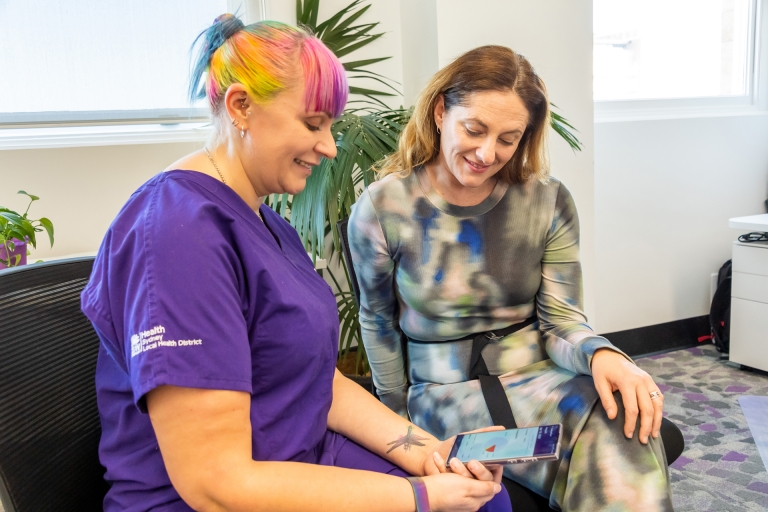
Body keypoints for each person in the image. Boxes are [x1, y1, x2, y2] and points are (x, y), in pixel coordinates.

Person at [80, 16, 513, 512]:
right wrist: (417, 497)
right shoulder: (177, 236)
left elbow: (314, 380)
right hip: (216, 500)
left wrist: (427, 453)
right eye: (313, 124)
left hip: (301, 456)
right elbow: (215, 484)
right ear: (241, 106)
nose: (329, 147)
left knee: (484, 500)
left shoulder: (264, 221)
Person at [347, 45, 674, 512]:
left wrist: (602, 354)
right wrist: (399, 424)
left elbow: (561, 320)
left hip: (541, 377)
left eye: (508, 138)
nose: (486, 153)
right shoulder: (384, 208)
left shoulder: (547, 201)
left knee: (620, 421)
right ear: (441, 112)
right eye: (474, 129)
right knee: (606, 466)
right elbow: (377, 322)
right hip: (443, 396)